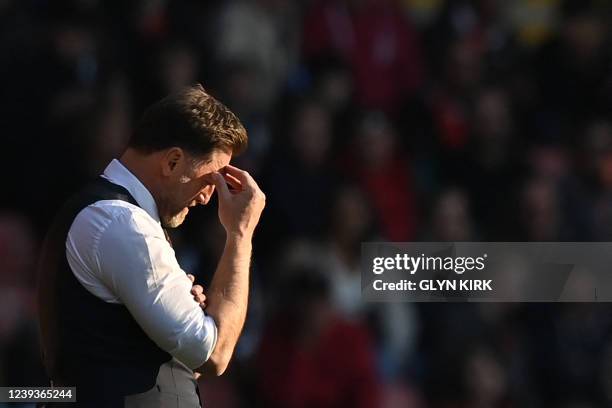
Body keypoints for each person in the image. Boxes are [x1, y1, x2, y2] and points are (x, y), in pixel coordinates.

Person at [36, 84, 266, 407]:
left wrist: (181, 326)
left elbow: (179, 363)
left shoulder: (117, 217)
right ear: (172, 162)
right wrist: (240, 234)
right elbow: (214, 354)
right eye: (210, 179)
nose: (207, 197)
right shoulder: (122, 223)